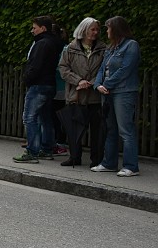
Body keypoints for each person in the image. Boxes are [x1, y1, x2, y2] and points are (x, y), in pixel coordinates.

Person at [92, 16, 141, 176]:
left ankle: (131, 166)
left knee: (125, 129)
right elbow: (102, 68)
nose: (106, 31)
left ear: (116, 29)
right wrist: (98, 84)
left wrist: (107, 84)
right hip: (108, 92)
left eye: (108, 28)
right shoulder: (111, 48)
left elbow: (125, 69)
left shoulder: (131, 45)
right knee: (110, 128)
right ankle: (109, 163)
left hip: (123, 91)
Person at [14, 16, 63, 163]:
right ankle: (47, 149)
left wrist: (27, 79)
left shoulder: (41, 44)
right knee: (46, 117)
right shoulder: (54, 43)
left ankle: (32, 151)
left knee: (30, 118)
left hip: (38, 84)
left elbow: (35, 65)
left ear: (43, 28)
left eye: (34, 28)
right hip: (49, 84)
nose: (32, 30)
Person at [58, 18, 104, 167]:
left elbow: (105, 69)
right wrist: (78, 81)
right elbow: (63, 68)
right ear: (83, 30)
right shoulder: (70, 48)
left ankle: (96, 159)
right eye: (92, 29)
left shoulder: (103, 49)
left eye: (97, 30)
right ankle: (74, 157)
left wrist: (92, 82)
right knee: (74, 128)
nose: (95, 32)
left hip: (95, 96)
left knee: (97, 129)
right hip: (76, 95)